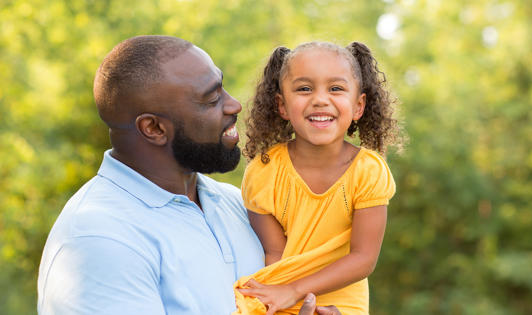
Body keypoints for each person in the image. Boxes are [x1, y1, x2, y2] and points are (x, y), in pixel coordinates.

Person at [37, 35, 340, 315]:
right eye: (211, 100)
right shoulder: (100, 239)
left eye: (222, 88)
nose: (234, 105)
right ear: (154, 128)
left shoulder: (239, 205)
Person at [233, 41, 399, 314]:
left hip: (342, 304)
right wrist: (283, 299)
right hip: (282, 295)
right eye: (304, 89)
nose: (320, 99)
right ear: (282, 105)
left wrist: (295, 292)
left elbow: (363, 259)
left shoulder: (368, 171)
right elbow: (277, 258)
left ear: (358, 106)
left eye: (335, 88)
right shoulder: (264, 172)